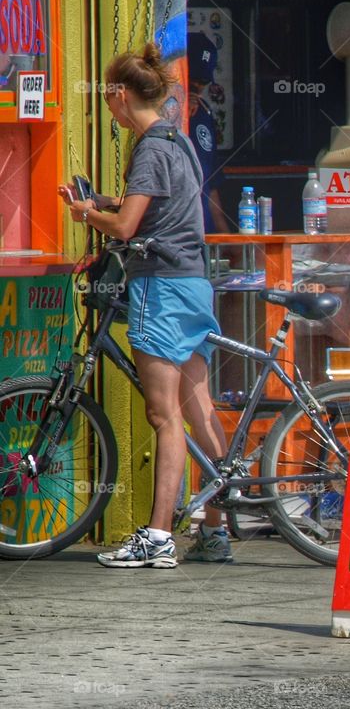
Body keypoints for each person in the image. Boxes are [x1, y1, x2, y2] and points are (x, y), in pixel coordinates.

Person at [58, 43, 233, 567]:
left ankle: (157, 537)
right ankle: (216, 531)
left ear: (118, 96)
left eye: (109, 97)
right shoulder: (175, 141)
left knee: (164, 416)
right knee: (200, 411)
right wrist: (104, 201)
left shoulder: (151, 148)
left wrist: (89, 216)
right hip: (193, 284)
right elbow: (153, 204)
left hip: (161, 287)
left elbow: (129, 226)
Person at [187, 32, 229, 234]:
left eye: (202, 81)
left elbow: (211, 180)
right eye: (192, 78)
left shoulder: (205, 112)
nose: (197, 86)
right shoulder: (160, 113)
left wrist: (223, 234)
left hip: (205, 230)